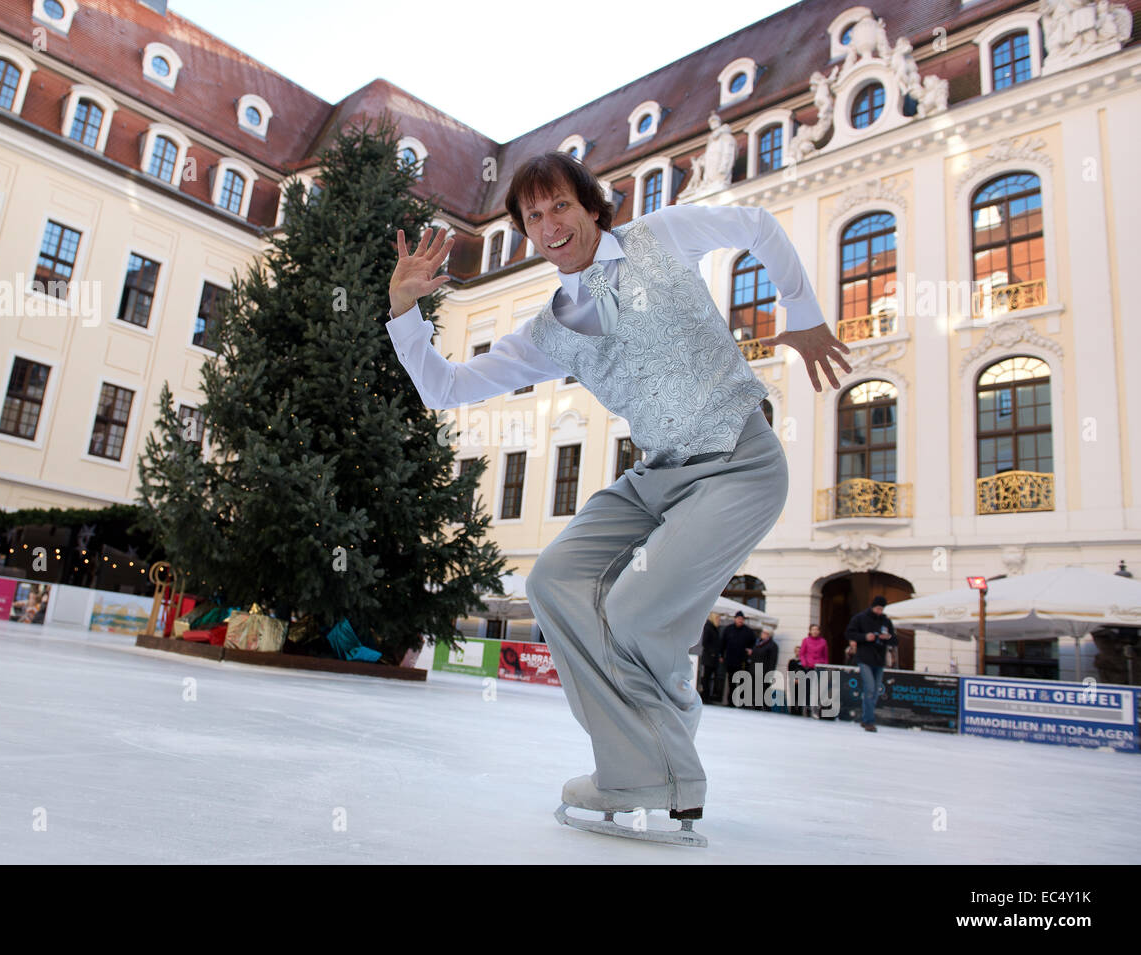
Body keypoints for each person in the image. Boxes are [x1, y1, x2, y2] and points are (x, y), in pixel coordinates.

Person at [385, 152, 849, 824]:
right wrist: (404, 313)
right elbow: (444, 387)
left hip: (739, 462)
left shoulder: (660, 236)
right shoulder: (547, 331)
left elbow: (758, 225)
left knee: (632, 614)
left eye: (560, 207)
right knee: (553, 581)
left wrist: (802, 313)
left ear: (593, 207)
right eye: (534, 217)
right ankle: (649, 742)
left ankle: (659, 774)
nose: (549, 225)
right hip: (658, 473)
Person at [845, 596, 898, 731]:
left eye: (881, 609)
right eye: (878, 608)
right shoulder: (860, 618)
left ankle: (865, 718)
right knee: (869, 688)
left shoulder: (886, 621)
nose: (879, 611)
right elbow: (849, 633)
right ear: (872, 606)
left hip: (879, 660)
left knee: (875, 691)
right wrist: (864, 637)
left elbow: (894, 640)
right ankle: (869, 721)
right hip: (864, 658)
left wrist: (888, 638)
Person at [719, 610, 758, 708]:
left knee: (742, 682)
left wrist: (751, 650)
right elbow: (722, 643)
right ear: (735, 619)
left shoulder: (748, 631)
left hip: (742, 661)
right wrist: (721, 655)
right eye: (739, 618)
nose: (740, 620)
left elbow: (754, 643)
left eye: (742, 619)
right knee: (731, 682)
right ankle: (731, 702)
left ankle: (740, 702)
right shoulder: (728, 629)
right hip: (730, 660)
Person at [798, 623, 829, 716]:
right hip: (809, 667)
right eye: (813, 629)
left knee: (819, 689)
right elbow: (802, 653)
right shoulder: (806, 640)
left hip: (819, 667)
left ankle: (818, 707)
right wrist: (804, 663)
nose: (815, 631)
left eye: (817, 629)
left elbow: (825, 655)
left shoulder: (823, 642)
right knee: (807, 688)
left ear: (819, 631)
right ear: (810, 631)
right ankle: (807, 707)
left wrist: (824, 666)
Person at [751, 629, 781, 712]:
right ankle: (756, 707)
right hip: (755, 670)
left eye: (765, 633)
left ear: (769, 635)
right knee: (755, 690)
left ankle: (767, 709)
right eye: (762, 632)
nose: (762, 634)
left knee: (764, 692)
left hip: (765, 672)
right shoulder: (758, 643)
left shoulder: (773, 645)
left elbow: (773, 661)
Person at [698, 612, 722, 705]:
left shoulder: (714, 628)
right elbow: (705, 642)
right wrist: (712, 652)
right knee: (706, 678)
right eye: (718, 618)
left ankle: (707, 696)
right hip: (709, 658)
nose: (719, 620)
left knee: (710, 678)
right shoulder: (709, 627)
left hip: (713, 658)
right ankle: (705, 696)